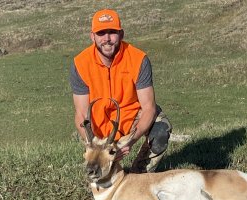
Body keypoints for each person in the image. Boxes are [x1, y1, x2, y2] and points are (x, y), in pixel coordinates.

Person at [70, 9, 172, 173]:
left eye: (112, 32)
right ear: (92, 36)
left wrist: (130, 141)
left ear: (121, 34)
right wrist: (93, 144)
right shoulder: (80, 64)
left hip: (131, 117)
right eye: (101, 33)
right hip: (98, 128)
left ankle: (139, 174)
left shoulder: (138, 59)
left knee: (161, 128)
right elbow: (81, 114)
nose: (107, 39)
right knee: (102, 174)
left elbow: (148, 108)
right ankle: (102, 169)